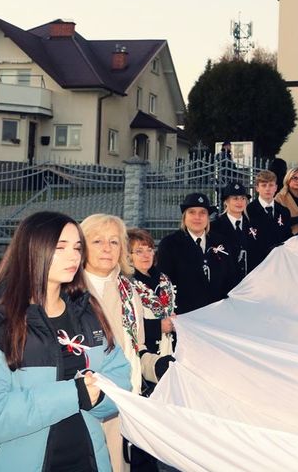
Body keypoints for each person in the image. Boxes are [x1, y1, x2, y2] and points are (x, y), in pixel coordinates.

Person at [0, 211, 131, 471]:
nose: (74, 256)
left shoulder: (86, 313)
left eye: (77, 247)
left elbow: (120, 376)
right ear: (31, 251)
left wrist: (97, 397)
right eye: (60, 247)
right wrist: (75, 394)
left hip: (87, 461)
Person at [81, 214, 173, 472]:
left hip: (122, 402)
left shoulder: (128, 291)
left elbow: (137, 349)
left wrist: (159, 366)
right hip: (80, 403)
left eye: (114, 241)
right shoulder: (68, 290)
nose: (107, 248)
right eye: (97, 241)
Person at [155, 193, 235, 314]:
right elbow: (164, 284)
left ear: (208, 217)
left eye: (202, 212)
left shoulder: (221, 242)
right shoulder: (170, 244)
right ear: (184, 217)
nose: (197, 217)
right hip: (185, 317)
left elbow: (231, 278)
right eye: (192, 212)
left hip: (218, 315)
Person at [126, 228, 175, 357]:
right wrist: (158, 326)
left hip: (169, 348)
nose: (146, 255)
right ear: (128, 255)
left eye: (149, 250)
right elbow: (124, 324)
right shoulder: (126, 284)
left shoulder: (164, 279)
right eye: (139, 251)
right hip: (142, 353)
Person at [242, 169, 293, 275]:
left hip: (279, 265)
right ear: (257, 188)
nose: (267, 189)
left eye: (271, 185)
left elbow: (287, 237)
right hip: (257, 265)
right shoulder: (248, 211)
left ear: (276, 187)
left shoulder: (283, 211)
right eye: (264, 185)